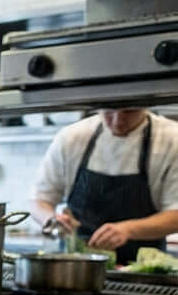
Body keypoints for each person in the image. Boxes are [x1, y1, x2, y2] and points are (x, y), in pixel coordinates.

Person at [31, 108, 178, 263]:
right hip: (76, 266)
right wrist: (52, 220)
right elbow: (39, 200)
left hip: (142, 268)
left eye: (129, 112)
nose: (117, 121)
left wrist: (128, 230)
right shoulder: (72, 137)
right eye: (108, 112)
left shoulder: (171, 139)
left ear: (145, 106)